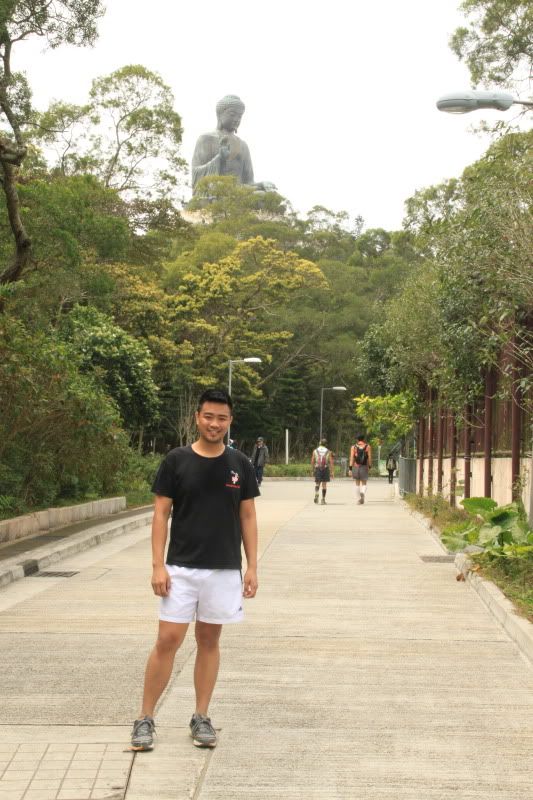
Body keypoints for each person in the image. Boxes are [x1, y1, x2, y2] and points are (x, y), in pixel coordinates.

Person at [130, 388, 259, 752]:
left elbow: (247, 515)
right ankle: (144, 718)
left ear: (230, 421)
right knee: (168, 640)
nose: (214, 423)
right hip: (181, 569)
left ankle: (201, 716)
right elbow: (160, 514)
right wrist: (158, 565)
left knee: (209, 641)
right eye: (208, 416)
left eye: (222, 418)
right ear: (197, 418)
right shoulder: (176, 460)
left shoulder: (240, 464)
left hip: (223, 570)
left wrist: (252, 566)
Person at [191, 95, 275, 194]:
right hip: (216, 191)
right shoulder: (206, 139)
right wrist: (219, 159)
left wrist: (261, 185)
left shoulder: (243, 145)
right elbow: (196, 174)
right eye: (232, 114)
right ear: (220, 114)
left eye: (240, 116)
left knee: (267, 194)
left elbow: (249, 181)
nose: (236, 119)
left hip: (239, 191)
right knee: (220, 186)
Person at [311, 438, 334, 505]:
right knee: (324, 485)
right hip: (325, 468)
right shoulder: (328, 451)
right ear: (326, 444)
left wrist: (312, 470)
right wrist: (332, 471)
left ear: (320, 443)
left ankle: (316, 493)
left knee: (317, 483)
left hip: (318, 468)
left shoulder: (315, 451)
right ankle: (323, 499)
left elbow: (312, 461)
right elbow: (331, 462)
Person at [349, 435, 372, 504]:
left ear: (357, 439)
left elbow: (352, 458)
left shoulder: (353, 447)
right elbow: (369, 458)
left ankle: (359, 499)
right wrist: (369, 466)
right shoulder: (368, 446)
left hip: (356, 466)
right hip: (364, 466)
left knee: (357, 483)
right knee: (364, 483)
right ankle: (362, 492)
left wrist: (350, 468)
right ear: (363, 439)